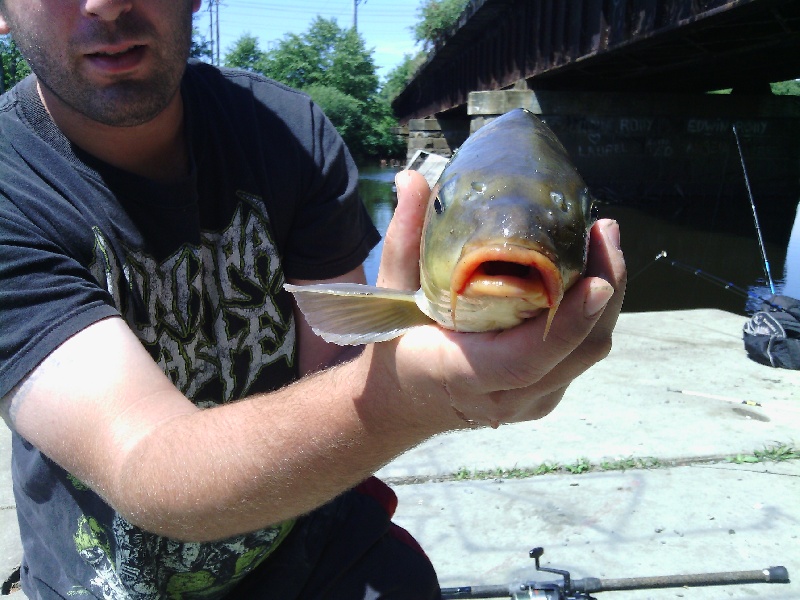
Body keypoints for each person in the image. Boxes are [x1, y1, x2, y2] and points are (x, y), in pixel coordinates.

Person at [0, 1, 627, 598]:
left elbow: (333, 373)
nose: (107, 6)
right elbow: (149, 466)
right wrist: (403, 394)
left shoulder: (290, 134)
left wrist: (411, 350)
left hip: (306, 538)